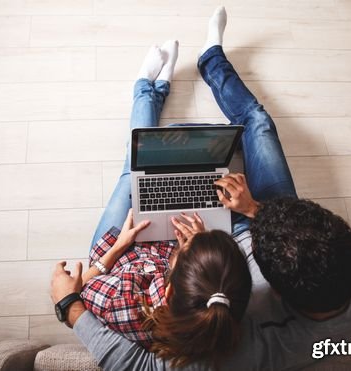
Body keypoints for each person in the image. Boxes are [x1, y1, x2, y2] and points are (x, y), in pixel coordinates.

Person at [50, 6, 351, 370]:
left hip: (197, 261)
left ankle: (148, 89)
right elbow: (304, 235)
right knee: (258, 123)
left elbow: (135, 362)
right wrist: (254, 208)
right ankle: (211, 59)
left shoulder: (237, 341)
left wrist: (70, 308)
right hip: (255, 231)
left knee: (134, 172)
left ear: (267, 286)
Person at [56, 38, 253, 367]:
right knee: (155, 167)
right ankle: (153, 89)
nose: (185, 243)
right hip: (158, 259)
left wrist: (117, 248)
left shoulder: (125, 307)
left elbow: (76, 290)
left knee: (131, 171)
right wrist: (197, 249)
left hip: (120, 257)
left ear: (169, 291)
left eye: (185, 252)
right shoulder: (226, 316)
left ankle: (147, 87)